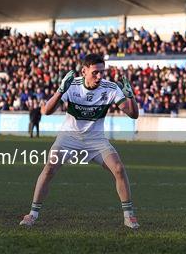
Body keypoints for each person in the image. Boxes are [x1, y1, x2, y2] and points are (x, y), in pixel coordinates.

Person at [19, 54, 140, 229]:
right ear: (84, 71)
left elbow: (133, 114)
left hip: (96, 140)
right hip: (69, 137)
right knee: (49, 169)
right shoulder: (72, 85)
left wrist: (131, 97)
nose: (99, 77)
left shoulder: (111, 88)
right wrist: (60, 90)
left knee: (119, 169)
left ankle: (129, 216)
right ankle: (32, 214)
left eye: (102, 72)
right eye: (95, 73)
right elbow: (46, 111)